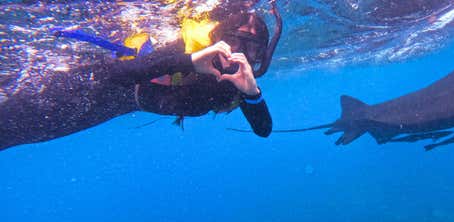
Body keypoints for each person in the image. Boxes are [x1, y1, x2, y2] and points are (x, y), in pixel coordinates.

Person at [0, 0, 282, 151]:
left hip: (106, 109)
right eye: (236, 42)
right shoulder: (187, 49)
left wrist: (252, 94)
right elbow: (116, 74)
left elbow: (263, 130)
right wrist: (190, 61)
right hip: (88, 87)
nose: (241, 53)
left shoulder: (236, 79)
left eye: (254, 48)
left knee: (17, 136)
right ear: (219, 38)